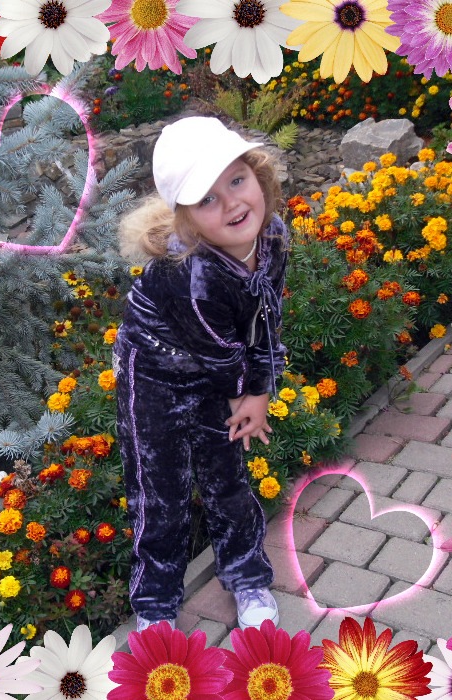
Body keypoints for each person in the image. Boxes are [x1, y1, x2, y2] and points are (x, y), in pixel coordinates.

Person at [113, 116, 289, 633]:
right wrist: (249, 395)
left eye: (237, 180)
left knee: (227, 477)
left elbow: (265, 318)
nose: (232, 203)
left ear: (257, 173)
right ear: (186, 219)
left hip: (220, 366)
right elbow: (221, 353)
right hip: (155, 375)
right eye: (207, 199)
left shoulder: (273, 236)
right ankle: (155, 604)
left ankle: (246, 575)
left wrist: (261, 387)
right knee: (159, 490)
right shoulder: (187, 274)